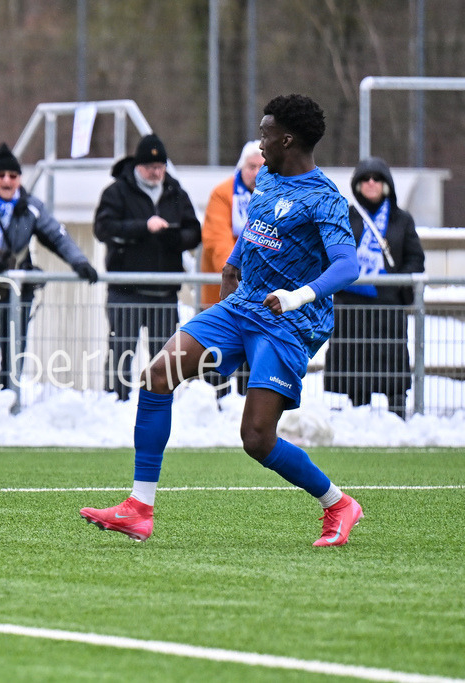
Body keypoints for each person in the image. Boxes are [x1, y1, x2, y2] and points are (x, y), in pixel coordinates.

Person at [80, 94, 364, 547]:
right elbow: (256, 231)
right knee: (158, 375)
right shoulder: (268, 177)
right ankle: (138, 508)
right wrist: (232, 264)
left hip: (289, 323)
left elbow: (348, 267)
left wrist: (297, 297)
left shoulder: (325, 199)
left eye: (266, 132)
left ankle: (338, 503)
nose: (259, 140)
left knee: (255, 438)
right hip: (241, 306)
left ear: (287, 139)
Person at [0, 142, 99, 392]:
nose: (7, 181)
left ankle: (11, 403)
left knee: (14, 353)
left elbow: (57, 235)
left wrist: (79, 261)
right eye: (1, 175)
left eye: (13, 176)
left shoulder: (31, 206)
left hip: (16, 292)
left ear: (20, 179)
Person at [93, 133, 202, 402]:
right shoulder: (116, 192)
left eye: (160, 167)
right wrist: (143, 227)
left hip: (164, 291)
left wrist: (172, 236)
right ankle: (115, 400)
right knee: (122, 350)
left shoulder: (175, 192)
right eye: (150, 168)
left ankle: (162, 402)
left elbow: (194, 232)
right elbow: (103, 229)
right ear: (137, 166)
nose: (156, 173)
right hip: (125, 289)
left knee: (164, 355)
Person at [324, 157, 425, 418]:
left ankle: (398, 413)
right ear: (357, 184)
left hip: (388, 306)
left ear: (386, 184)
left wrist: (399, 285)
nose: (371, 183)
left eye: (376, 178)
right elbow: (331, 252)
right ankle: (359, 414)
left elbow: (415, 257)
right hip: (351, 305)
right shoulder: (346, 216)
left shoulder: (401, 220)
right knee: (354, 362)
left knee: (391, 361)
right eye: (365, 178)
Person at [199, 141, 265, 397]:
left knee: (255, 360)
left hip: (260, 296)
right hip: (223, 292)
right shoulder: (222, 194)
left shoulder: (274, 195)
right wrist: (237, 272)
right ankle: (216, 404)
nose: (257, 172)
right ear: (241, 167)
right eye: (251, 166)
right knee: (218, 355)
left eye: (262, 166)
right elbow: (217, 241)